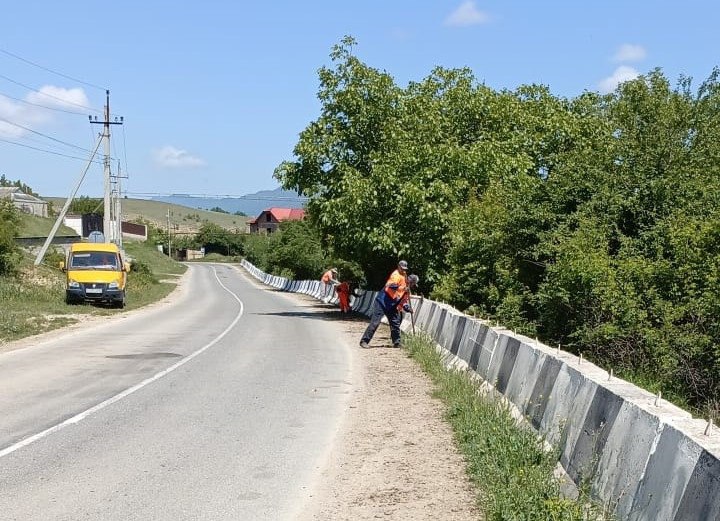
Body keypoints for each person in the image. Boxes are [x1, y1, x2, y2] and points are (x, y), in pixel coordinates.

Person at [360, 260, 419, 348]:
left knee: (395, 323)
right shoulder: (396, 275)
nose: (402, 270)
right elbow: (390, 286)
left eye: (404, 269)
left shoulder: (407, 289)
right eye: (413, 284)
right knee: (375, 322)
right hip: (382, 302)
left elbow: (403, 302)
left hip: (392, 306)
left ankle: (397, 342)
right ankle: (364, 341)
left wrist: (408, 308)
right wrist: (403, 288)